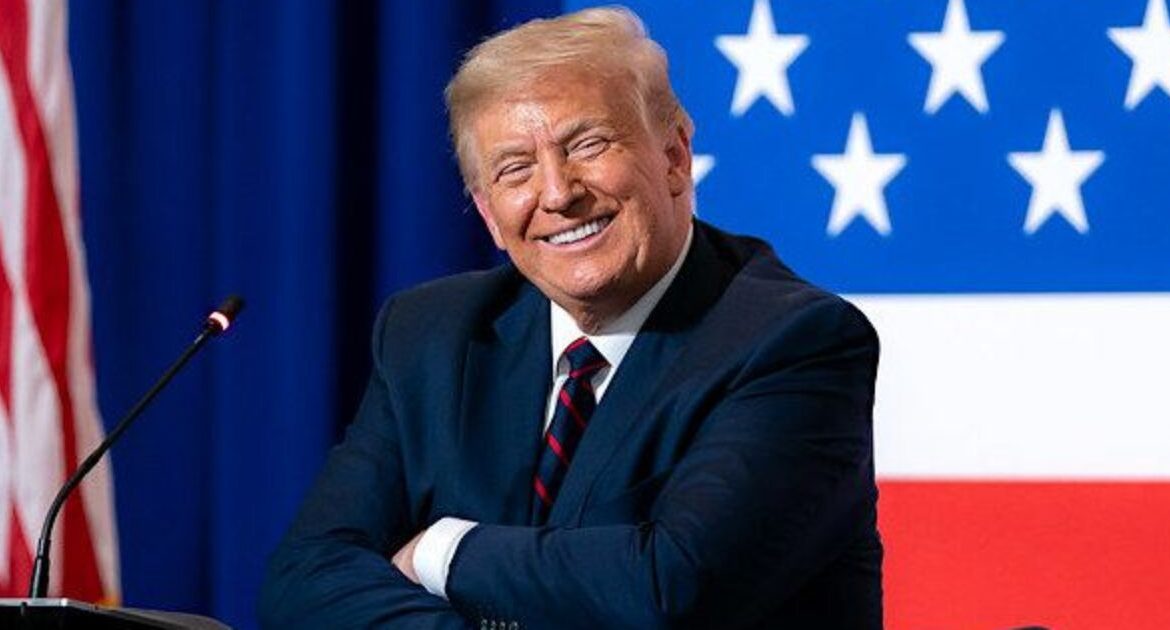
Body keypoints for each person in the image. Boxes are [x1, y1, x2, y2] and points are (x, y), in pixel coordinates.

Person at [260, 7, 881, 629]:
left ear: (674, 156)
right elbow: (302, 582)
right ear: (488, 214)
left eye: (588, 145)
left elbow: (670, 588)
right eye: (515, 169)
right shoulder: (431, 334)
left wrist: (439, 551)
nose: (558, 194)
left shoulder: (794, 340)